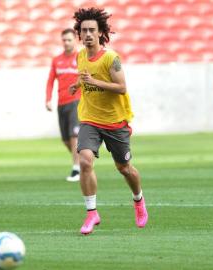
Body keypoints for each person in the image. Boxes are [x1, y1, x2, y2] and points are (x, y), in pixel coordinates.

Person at [70, 7, 148, 235]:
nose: (87, 34)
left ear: (100, 32)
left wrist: (94, 80)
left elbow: (121, 88)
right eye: (83, 30)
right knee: (84, 161)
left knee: (124, 168)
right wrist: (79, 84)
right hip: (90, 119)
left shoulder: (111, 58)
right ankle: (91, 213)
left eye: (92, 30)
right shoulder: (81, 55)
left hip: (115, 122)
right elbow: (86, 78)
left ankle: (138, 200)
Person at [45, 28, 81, 182]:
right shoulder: (56, 60)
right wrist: (48, 99)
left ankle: (76, 169)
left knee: (74, 137)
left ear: (75, 40)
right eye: (64, 40)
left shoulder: (81, 58)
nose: (66, 42)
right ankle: (83, 160)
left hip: (76, 102)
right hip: (61, 103)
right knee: (66, 140)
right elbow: (50, 80)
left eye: (69, 40)